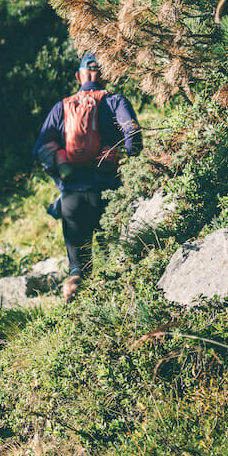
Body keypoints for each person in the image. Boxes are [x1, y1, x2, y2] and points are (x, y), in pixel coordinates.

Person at [33, 53, 142, 303]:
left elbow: (40, 149)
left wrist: (61, 178)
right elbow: (132, 134)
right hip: (107, 193)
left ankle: (75, 313)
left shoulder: (61, 107)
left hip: (72, 198)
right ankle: (117, 311)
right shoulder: (115, 101)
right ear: (105, 74)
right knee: (115, 262)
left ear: (78, 76)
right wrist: (128, 159)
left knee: (78, 270)